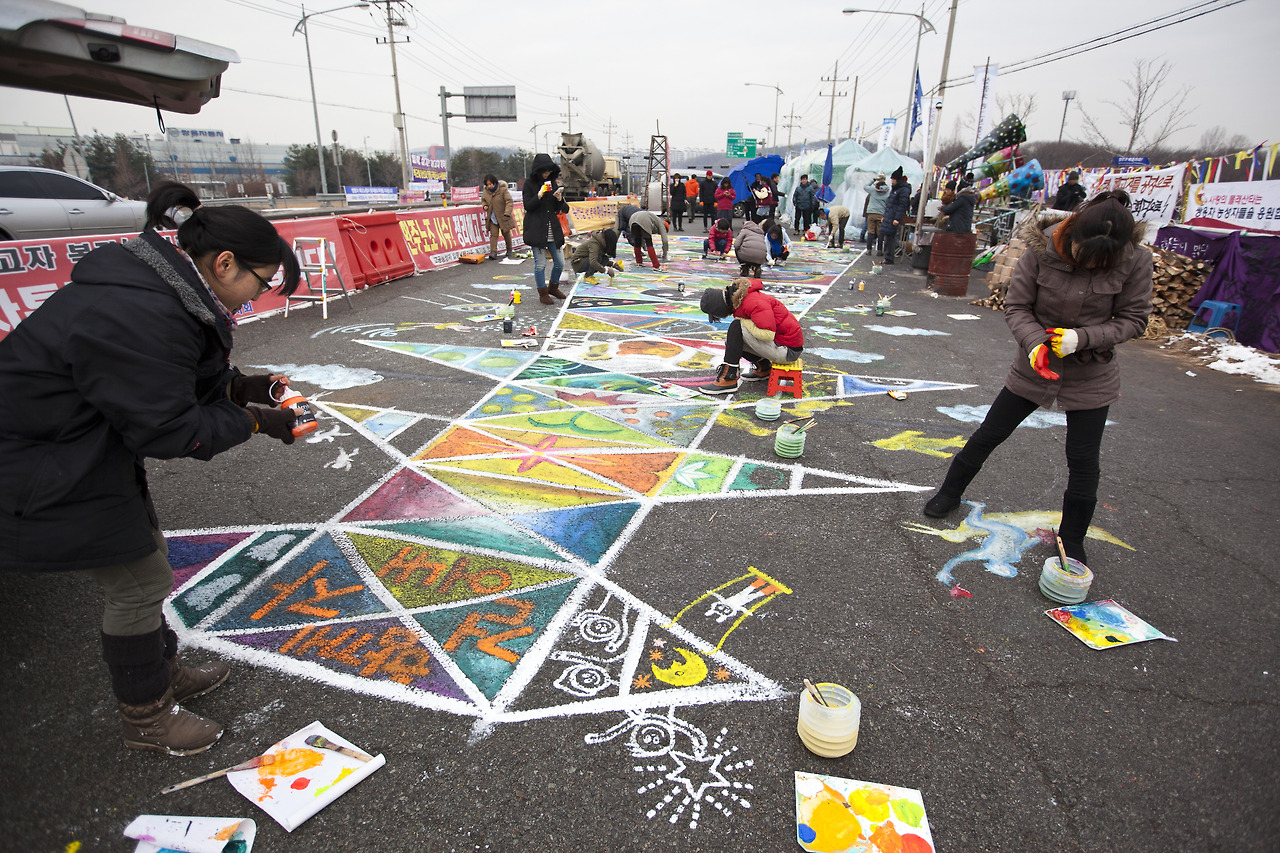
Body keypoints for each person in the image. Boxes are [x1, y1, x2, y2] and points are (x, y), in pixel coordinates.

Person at [0, 180, 302, 755]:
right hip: (39, 456)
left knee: (147, 556)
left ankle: (161, 670)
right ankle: (146, 716)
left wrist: (242, 388)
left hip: (79, 443)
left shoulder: (162, 285)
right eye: (260, 285)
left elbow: (163, 383)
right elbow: (172, 428)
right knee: (139, 581)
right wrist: (257, 421)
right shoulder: (144, 308)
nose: (254, 299)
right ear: (225, 262)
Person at [921, 191, 1152, 567]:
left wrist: (1083, 338)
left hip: (1092, 372)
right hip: (1035, 363)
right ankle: (950, 492)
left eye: (1101, 263)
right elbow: (1017, 306)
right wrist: (1034, 343)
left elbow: (1134, 319)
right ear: (1072, 233)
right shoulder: (1041, 248)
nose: (1091, 266)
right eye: (1083, 257)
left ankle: (1073, 536)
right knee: (990, 433)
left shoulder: (1137, 258)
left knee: (1083, 460)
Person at [697, 277, 804, 394]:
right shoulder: (742, 300)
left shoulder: (752, 301)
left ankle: (728, 378)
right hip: (784, 346)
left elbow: (767, 334)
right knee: (734, 340)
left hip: (788, 352)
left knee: (737, 327)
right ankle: (764, 367)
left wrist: (743, 321)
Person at [522, 152, 572, 304]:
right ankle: (542, 292)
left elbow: (563, 208)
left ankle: (553, 287)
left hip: (552, 229)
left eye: (549, 171)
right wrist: (539, 195)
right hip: (536, 229)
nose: (547, 174)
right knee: (541, 264)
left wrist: (558, 199)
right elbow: (528, 206)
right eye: (544, 171)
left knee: (560, 262)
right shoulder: (529, 184)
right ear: (537, 170)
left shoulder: (553, 183)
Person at [879, 166, 912, 264]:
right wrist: (885, 216)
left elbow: (902, 205)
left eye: (893, 179)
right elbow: (890, 204)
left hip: (893, 216)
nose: (892, 181)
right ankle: (887, 256)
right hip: (890, 215)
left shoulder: (902, 190)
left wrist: (897, 218)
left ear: (897, 179)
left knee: (891, 237)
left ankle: (889, 257)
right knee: (887, 236)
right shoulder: (895, 189)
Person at [480, 173, 516, 260]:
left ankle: (509, 249)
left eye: (490, 184)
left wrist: (507, 212)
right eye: (487, 185)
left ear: (494, 183)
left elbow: (509, 201)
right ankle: (493, 252)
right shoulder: (486, 192)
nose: (489, 186)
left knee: (506, 233)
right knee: (494, 234)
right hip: (492, 217)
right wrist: (484, 206)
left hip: (503, 216)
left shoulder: (503, 190)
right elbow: (483, 200)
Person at [863, 173, 890, 256]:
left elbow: (865, 186)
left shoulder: (873, 190)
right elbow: (888, 203)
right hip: (881, 214)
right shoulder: (888, 192)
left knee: (870, 231)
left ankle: (869, 250)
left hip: (871, 213)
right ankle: (879, 250)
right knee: (880, 232)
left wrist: (874, 179)